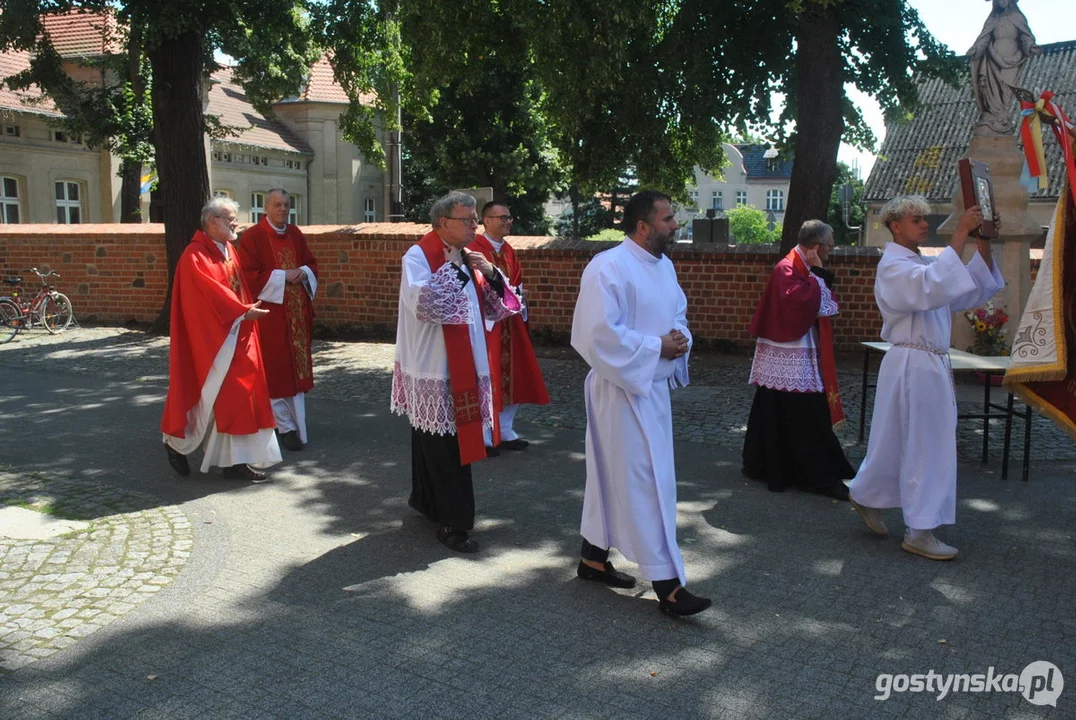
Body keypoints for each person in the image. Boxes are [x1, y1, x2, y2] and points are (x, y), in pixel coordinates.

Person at [570, 190, 711, 617]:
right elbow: (596, 335)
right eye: (668, 219)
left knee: (615, 478)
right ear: (643, 225)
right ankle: (667, 584)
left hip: (650, 392)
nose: (675, 225)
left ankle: (593, 558)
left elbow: (678, 315)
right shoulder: (607, 267)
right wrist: (656, 346)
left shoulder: (664, 266)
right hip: (619, 391)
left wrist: (680, 340)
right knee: (643, 482)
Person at [850, 196, 1004, 560]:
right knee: (927, 445)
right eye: (915, 219)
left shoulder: (918, 262)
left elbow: (961, 289)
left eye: (924, 219)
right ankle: (920, 530)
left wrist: (982, 241)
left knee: (896, 440)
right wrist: (961, 232)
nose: (923, 224)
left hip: (922, 364)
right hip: (913, 364)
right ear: (895, 225)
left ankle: (865, 493)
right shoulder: (893, 265)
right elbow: (931, 286)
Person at [390, 192, 521, 553]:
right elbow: (427, 305)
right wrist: (456, 268)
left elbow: (500, 308)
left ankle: (426, 501)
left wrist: (490, 272)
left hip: (463, 362)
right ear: (442, 223)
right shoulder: (419, 255)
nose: (474, 226)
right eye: (467, 220)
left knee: (436, 441)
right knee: (444, 446)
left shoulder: (467, 257)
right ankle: (454, 523)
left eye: (475, 219)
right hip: (433, 364)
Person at [161, 198, 281, 483]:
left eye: (234, 218)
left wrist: (245, 311)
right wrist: (242, 311)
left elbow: (237, 287)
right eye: (229, 218)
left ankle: (234, 462)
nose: (235, 223)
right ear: (212, 221)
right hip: (214, 342)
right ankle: (176, 443)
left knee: (240, 398)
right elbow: (210, 294)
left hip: (237, 335)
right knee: (214, 397)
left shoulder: (227, 249)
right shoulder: (195, 256)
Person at [742, 220, 855, 500]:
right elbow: (803, 304)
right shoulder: (787, 267)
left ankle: (805, 467)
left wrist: (816, 274)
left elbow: (822, 305)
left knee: (795, 413)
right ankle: (812, 475)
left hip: (799, 350)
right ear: (816, 247)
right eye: (829, 247)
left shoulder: (800, 266)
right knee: (802, 416)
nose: (830, 252)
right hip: (788, 353)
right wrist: (817, 273)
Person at [238, 188, 319, 452]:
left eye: (286, 204)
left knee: (294, 373)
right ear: (266, 208)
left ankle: (295, 424)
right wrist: (284, 276)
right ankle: (284, 426)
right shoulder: (253, 237)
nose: (283, 209)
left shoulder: (295, 234)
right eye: (277, 205)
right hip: (270, 318)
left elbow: (311, 264)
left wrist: (304, 272)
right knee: (274, 372)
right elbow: (248, 276)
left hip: (296, 314)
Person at [470, 201, 550, 455]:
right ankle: (483, 435)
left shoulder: (509, 251)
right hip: (487, 326)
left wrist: (519, 296)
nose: (507, 222)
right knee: (487, 375)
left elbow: (516, 282)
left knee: (515, 374)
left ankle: (505, 430)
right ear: (487, 221)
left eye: (509, 217)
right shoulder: (473, 249)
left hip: (510, 323)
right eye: (501, 217)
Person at [967, 0, 1040, 135]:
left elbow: (1025, 36)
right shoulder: (992, 19)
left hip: (1013, 59)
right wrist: (975, 49)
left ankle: (1002, 119)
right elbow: (984, 39)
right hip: (993, 62)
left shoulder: (1017, 17)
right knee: (991, 90)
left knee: (1007, 89)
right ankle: (994, 119)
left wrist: (1030, 46)